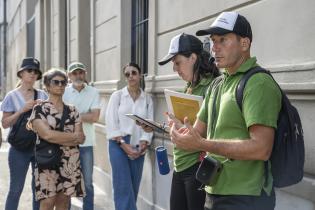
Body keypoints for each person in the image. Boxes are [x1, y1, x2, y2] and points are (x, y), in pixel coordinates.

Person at [169, 12, 282, 210]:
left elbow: (261, 148)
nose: (215, 47)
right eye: (213, 40)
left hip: (246, 196)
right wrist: (179, 132)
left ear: (244, 44)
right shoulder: (216, 85)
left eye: (223, 40)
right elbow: (196, 134)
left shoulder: (258, 83)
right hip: (213, 190)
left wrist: (202, 143)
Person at [157, 33, 220, 210]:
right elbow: (185, 126)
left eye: (177, 62)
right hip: (180, 165)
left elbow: (216, 132)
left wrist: (180, 126)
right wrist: (168, 126)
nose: (174, 69)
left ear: (193, 58)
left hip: (198, 167)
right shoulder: (189, 86)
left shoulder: (212, 86)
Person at [27, 68, 86, 210]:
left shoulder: (73, 110)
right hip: (46, 161)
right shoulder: (39, 109)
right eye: (56, 82)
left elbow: (81, 138)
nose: (60, 85)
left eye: (63, 82)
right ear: (47, 85)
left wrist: (57, 137)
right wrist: (72, 137)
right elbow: (47, 135)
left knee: (64, 202)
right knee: (47, 202)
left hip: (70, 162)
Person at [0, 57, 47, 210]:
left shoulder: (42, 95)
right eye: (29, 70)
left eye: (35, 71)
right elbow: (5, 123)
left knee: (38, 191)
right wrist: (22, 110)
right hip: (18, 150)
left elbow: (50, 121)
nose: (32, 74)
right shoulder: (11, 96)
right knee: (15, 190)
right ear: (21, 73)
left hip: (40, 148)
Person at [105, 62, 153, 210]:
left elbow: (149, 124)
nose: (130, 76)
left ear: (140, 75)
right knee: (122, 186)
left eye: (134, 73)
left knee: (133, 185)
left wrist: (144, 142)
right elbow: (111, 122)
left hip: (139, 144)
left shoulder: (147, 99)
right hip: (118, 144)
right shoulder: (117, 96)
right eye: (127, 74)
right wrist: (123, 145)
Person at [63, 62, 101, 210]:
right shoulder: (63, 92)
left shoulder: (93, 92)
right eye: (74, 73)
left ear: (85, 74)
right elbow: (61, 116)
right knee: (67, 182)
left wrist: (72, 115)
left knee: (88, 184)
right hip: (66, 143)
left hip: (87, 143)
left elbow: (95, 117)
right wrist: (84, 115)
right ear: (69, 76)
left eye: (80, 72)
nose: (78, 76)